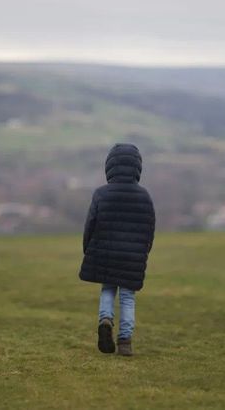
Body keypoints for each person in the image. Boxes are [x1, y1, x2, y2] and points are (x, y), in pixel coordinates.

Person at [79, 143, 156, 356]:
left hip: (105, 252)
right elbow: (149, 228)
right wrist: (145, 251)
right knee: (128, 297)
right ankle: (125, 341)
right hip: (133, 256)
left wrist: (88, 249)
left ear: (109, 166)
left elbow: (90, 224)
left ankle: (105, 319)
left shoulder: (101, 194)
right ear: (137, 167)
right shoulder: (144, 196)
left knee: (108, 289)